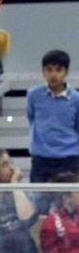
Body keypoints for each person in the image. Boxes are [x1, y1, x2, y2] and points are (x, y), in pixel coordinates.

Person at [27, 49, 79, 193]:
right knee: (38, 202)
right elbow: (31, 117)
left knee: (68, 202)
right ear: (43, 71)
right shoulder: (33, 95)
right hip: (41, 158)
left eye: (58, 70)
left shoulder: (76, 99)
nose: (53, 74)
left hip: (68, 158)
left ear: (66, 72)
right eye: (49, 69)